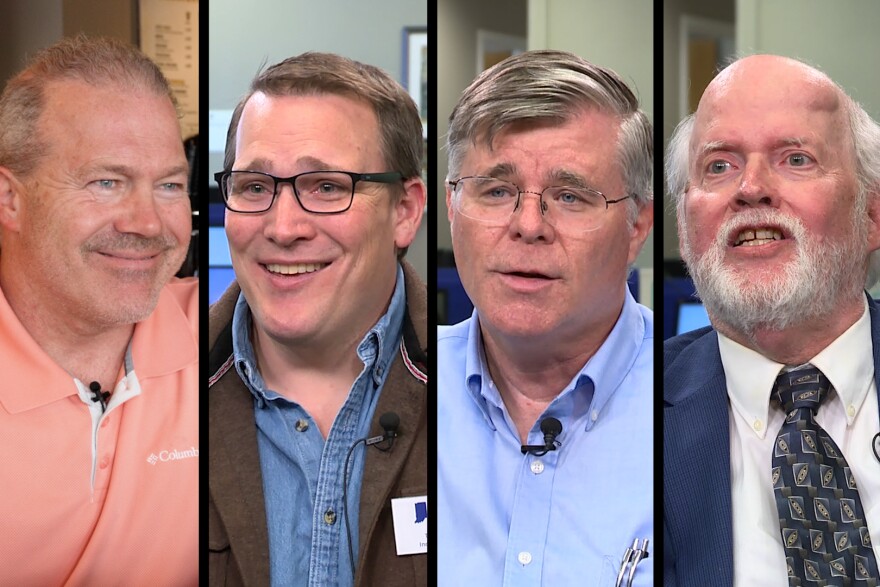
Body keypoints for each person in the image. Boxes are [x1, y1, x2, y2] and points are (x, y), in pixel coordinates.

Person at [208, 52, 428, 587]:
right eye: (255, 187)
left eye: (327, 187)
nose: (284, 228)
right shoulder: (162, 390)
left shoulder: (485, 391)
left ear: (404, 210)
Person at [437, 50, 655, 585]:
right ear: (451, 207)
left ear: (637, 226)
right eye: (496, 191)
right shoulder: (395, 387)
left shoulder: (702, 405)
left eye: (570, 196)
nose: (528, 225)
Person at [664, 54, 880, 586]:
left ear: (872, 215)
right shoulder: (630, 401)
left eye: (796, 159)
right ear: (685, 226)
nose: (751, 187)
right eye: (720, 165)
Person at [0, 35, 198, 584]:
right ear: (9, 198)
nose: (148, 223)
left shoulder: (222, 334)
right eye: (106, 182)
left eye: (169, 185)